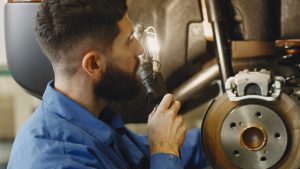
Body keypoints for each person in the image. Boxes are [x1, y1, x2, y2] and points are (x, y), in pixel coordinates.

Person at [7, 0, 207, 168]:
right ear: (94, 64)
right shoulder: (57, 160)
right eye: (129, 40)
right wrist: (165, 149)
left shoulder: (95, 119)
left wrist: (223, 129)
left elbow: (150, 153)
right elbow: (161, 151)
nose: (139, 49)